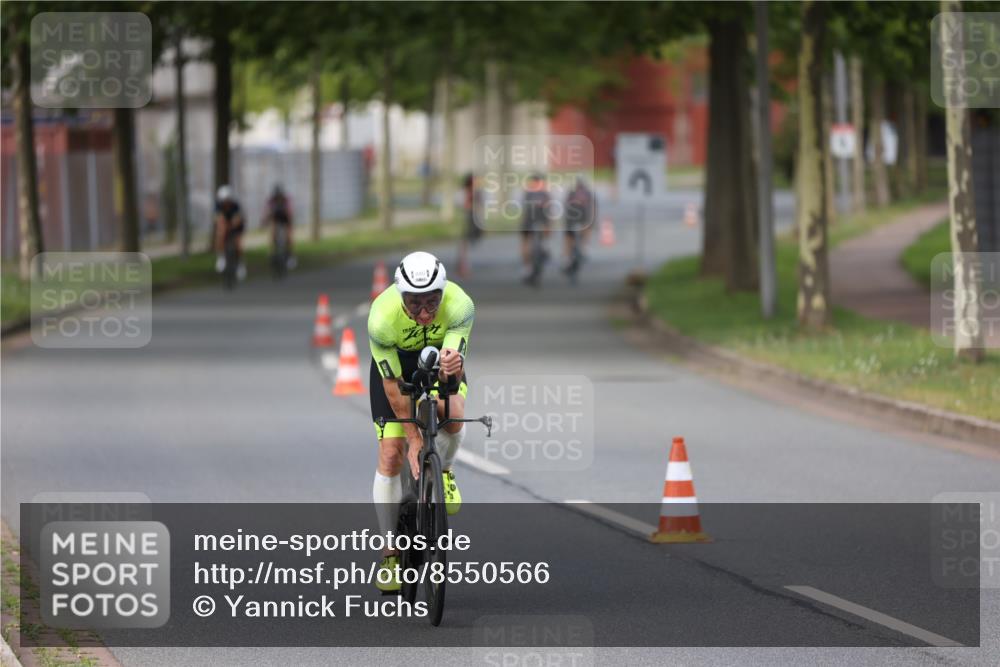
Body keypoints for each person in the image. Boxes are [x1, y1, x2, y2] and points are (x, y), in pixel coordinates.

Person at [367, 251, 474, 592]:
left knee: (453, 413)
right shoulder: (381, 319)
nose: (425, 313)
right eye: (415, 304)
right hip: (396, 369)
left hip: (440, 359)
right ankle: (389, 553)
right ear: (401, 296)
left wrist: (448, 374)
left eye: (432, 302)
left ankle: (445, 470)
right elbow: (393, 389)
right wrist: (414, 440)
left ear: (443, 293)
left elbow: (452, 371)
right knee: (391, 454)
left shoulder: (460, 306)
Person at [520, 172, 551, 280]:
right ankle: (544, 248)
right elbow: (549, 210)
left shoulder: (528, 192)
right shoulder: (545, 193)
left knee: (525, 242)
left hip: (530, 221)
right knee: (533, 241)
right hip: (541, 220)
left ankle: (526, 267)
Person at [214, 185, 246, 281]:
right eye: (224, 201)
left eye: (228, 200)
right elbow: (217, 218)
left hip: (236, 226)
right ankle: (221, 257)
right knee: (221, 232)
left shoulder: (236, 205)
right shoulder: (218, 206)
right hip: (224, 225)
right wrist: (223, 226)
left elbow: (239, 219)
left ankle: (240, 264)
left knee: (238, 243)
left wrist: (233, 224)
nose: (226, 203)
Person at [563, 178, 595, 272]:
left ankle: (567, 258)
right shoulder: (588, 193)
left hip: (573, 218)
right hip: (584, 218)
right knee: (587, 227)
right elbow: (593, 208)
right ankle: (584, 248)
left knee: (568, 238)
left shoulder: (571, 192)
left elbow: (566, 206)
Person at [262, 184, 296, 269]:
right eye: (277, 195)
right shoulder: (271, 200)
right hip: (276, 219)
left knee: (289, 236)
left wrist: (290, 223)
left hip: (285, 219)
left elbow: (290, 212)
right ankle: (272, 251)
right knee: (272, 230)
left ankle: (290, 255)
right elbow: (266, 211)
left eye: (279, 195)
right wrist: (264, 220)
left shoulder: (286, 200)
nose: (278, 197)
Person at [457, 173, 482, 277]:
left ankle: (463, 265)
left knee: (468, 243)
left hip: (473, 219)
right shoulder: (466, 192)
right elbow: (465, 205)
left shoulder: (476, 192)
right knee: (465, 244)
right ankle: (463, 266)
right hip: (469, 219)